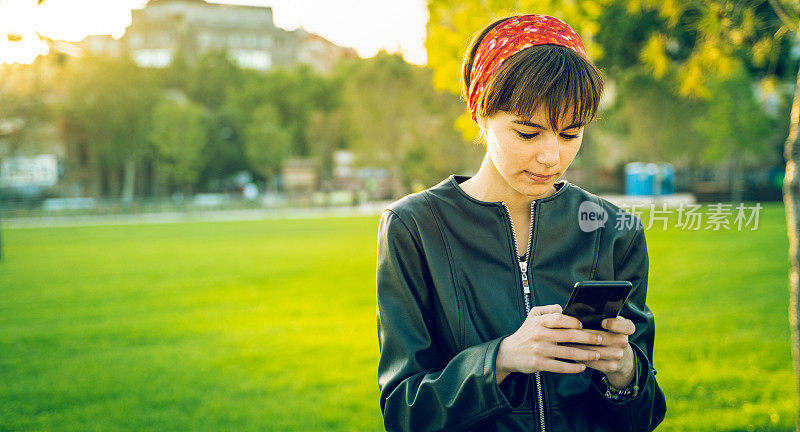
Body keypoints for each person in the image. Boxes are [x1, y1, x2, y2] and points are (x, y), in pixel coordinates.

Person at [375, 13, 667, 432]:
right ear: (481, 114)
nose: (552, 158)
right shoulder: (413, 227)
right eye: (528, 134)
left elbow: (643, 417)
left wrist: (624, 372)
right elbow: (404, 413)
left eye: (570, 134)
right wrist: (501, 359)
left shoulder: (614, 230)